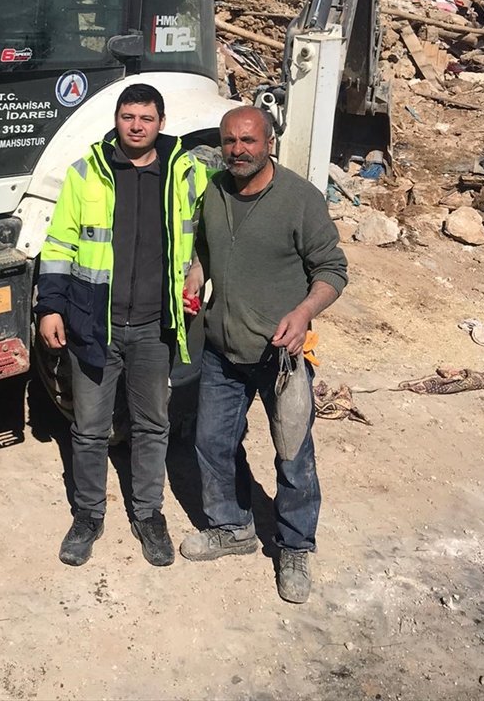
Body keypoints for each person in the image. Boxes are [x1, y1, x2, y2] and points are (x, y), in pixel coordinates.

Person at [179, 106, 347, 603]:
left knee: (293, 454)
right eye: (229, 141)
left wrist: (303, 313)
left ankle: (294, 544)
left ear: (268, 142)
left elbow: (333, 270)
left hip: (282, 357)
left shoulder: (300, 199)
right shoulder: (213, 190)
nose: (238, 149)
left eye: (248, 140)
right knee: (211, 443)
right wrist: (197, 270)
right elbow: (208, 249)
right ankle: (232, 527)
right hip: (222, 348)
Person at [36, 83, 207, 568]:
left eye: (146, 118)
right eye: (128, 116)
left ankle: (148, 514)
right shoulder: (86, 173)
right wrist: (50, 307)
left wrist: (200, 269)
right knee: (89, 430)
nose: (136, 126)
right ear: (116, 120)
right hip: (95, 325)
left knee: (153, 426)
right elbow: (59, 244)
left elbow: (208, 230)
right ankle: (88, 516)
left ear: (161, 122)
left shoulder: (187, 173)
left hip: (155, 328)